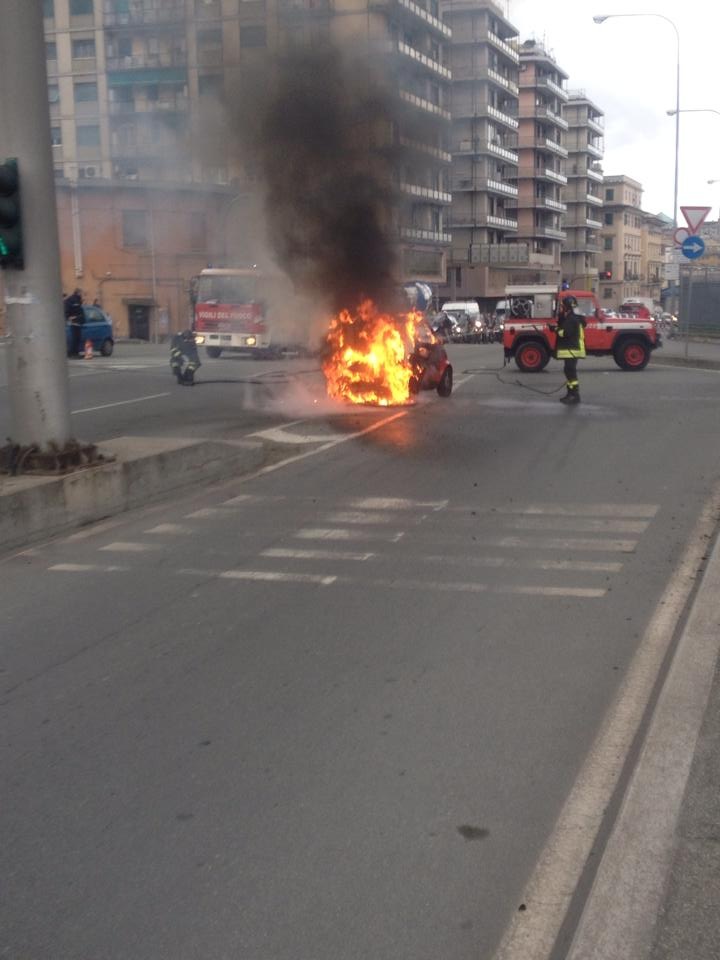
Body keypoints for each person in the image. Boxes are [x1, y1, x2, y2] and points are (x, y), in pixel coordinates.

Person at [554, 295, 586, 405]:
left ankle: (575, 395)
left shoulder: (572, 319)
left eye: (563, 306)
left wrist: (555, 329)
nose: (562, 308)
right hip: (572, 348)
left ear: (568, 307)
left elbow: (565, 333)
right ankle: (570, 394)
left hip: (573, 349)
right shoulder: (573, 317)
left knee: (571, 373)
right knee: (568, 371)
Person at [64, 288, 84, 356]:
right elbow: (68, 310)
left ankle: (76, 352)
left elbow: (80, 310)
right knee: (74, 338)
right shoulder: (72, 300)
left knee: (77, 337)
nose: (81, 294)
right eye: (81, 292)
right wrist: (69, 317)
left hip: (78, 321)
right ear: (77, 292)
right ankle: (72, 352)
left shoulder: (78, 300)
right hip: (73, 322)